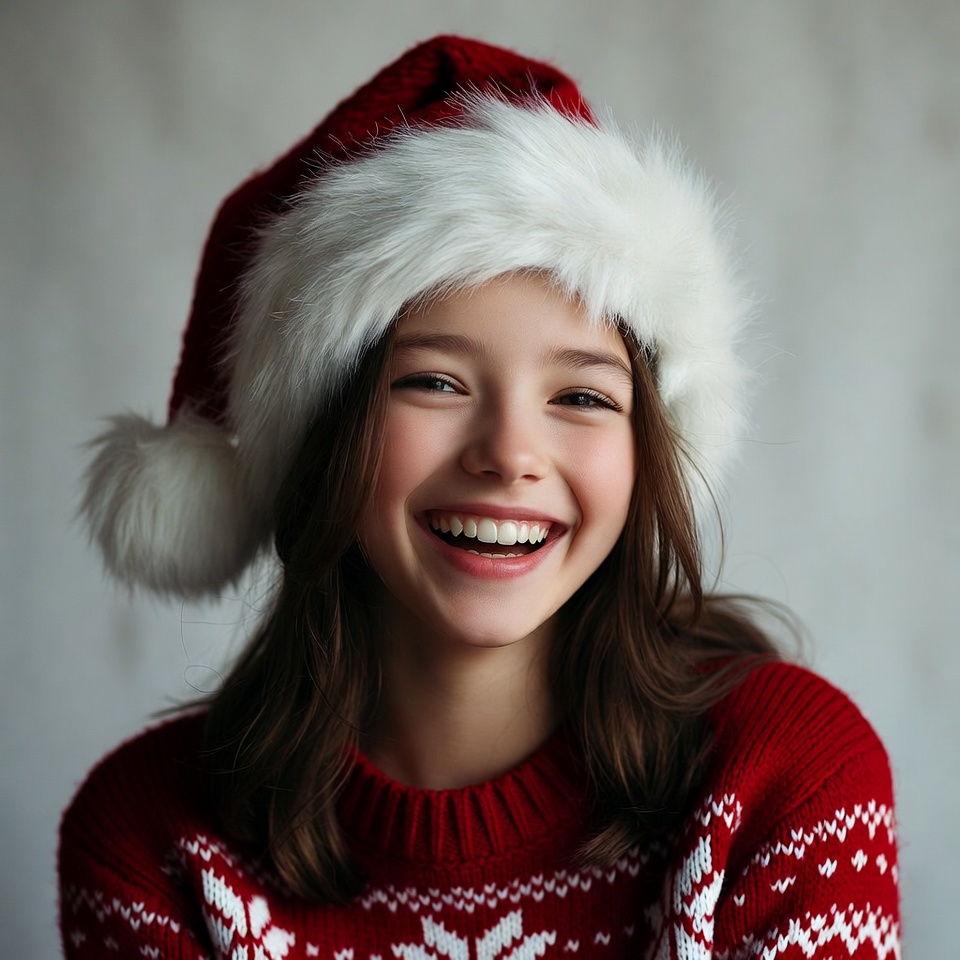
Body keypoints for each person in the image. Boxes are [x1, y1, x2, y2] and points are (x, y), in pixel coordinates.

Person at [60, 35, 900, 959]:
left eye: (581, 396)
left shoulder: (786, 782)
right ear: (324, 432)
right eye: (435, 383)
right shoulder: (155, 845)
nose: (509, 455)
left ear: (646, 449)